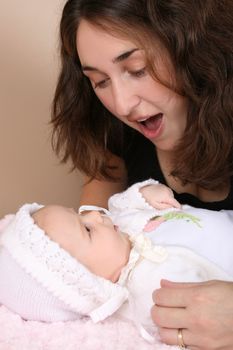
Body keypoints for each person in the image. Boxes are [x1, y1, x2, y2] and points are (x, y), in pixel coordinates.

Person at [51, 1, 233, 348]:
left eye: (137, 69)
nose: (122, 105)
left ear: (194, 46)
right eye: (100, 81)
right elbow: (88, 254)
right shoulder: (114, 135)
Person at [0, 180, 233, 347]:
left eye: (79, 214)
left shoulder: (119, 225)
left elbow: (122, 203)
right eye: (87, 229)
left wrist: (145, 193)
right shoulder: (148, 290)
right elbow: (201, 319)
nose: (94, 215)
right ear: (93, 282)